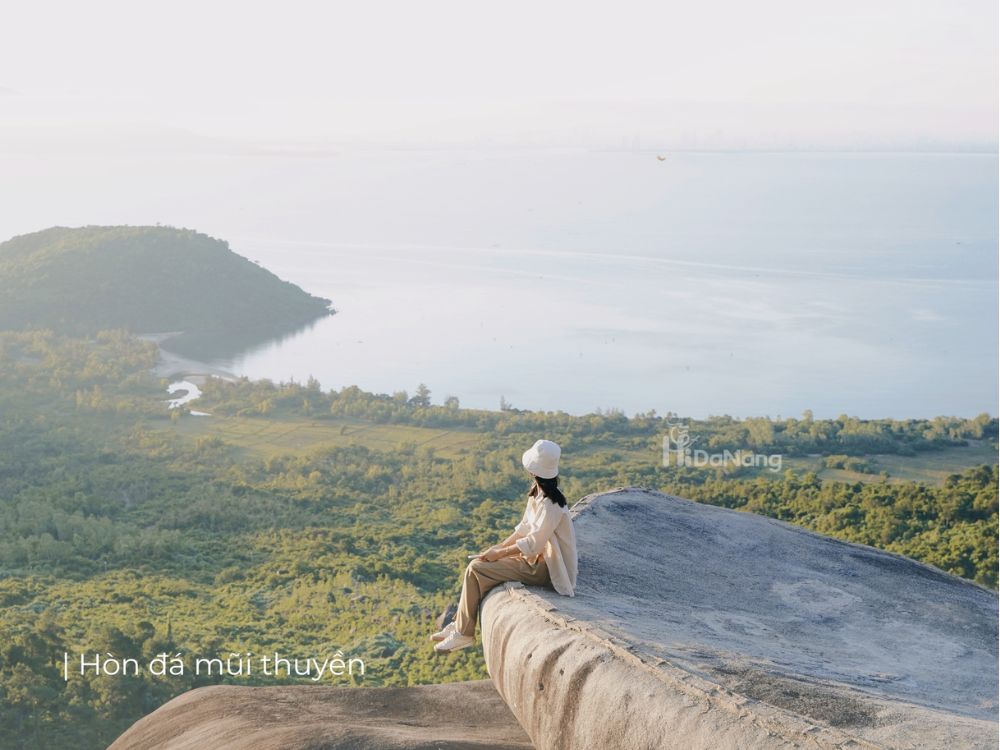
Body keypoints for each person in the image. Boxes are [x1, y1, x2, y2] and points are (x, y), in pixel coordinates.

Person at [432, 439, 578, 653]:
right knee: (480, 564)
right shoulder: (538, 495)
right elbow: (523, 530)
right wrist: (495, 549)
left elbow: (532, 542)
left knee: (475, 570)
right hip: (534, 559)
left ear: (532, 471)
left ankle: (463, 634)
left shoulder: (551, 505)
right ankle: (459, 625)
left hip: (545, 568)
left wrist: (500, 553)